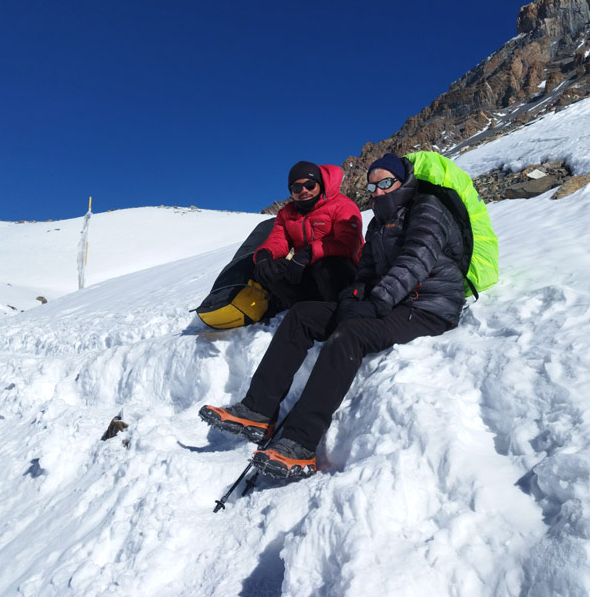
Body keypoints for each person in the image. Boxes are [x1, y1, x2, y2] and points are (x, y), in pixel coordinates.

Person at [199, 152, 466, 480]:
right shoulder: (380, 221)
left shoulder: (427, 210)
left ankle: (300, 442)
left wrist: (376, 303)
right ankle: (258, 409)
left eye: (386, 183)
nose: (378, 191)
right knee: (302, 315)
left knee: (350, 335)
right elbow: (367, 267)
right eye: (373, 185)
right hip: (394, 303)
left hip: (427, 308)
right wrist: (354, 295)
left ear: (402, 181)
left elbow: (414, 262)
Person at [249, 161, 363, 314]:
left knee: (327, 264)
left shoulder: (341, 205)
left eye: (310, 185)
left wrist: (309, 253)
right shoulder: (286, 213)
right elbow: (278, 241)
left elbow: (349, 244)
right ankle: (304, 309)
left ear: (320, 184)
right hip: (307, 271)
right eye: (296, 188)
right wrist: (264, 254)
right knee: (272, 269)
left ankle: (339, 311)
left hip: (344, 274)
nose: (303, 190)